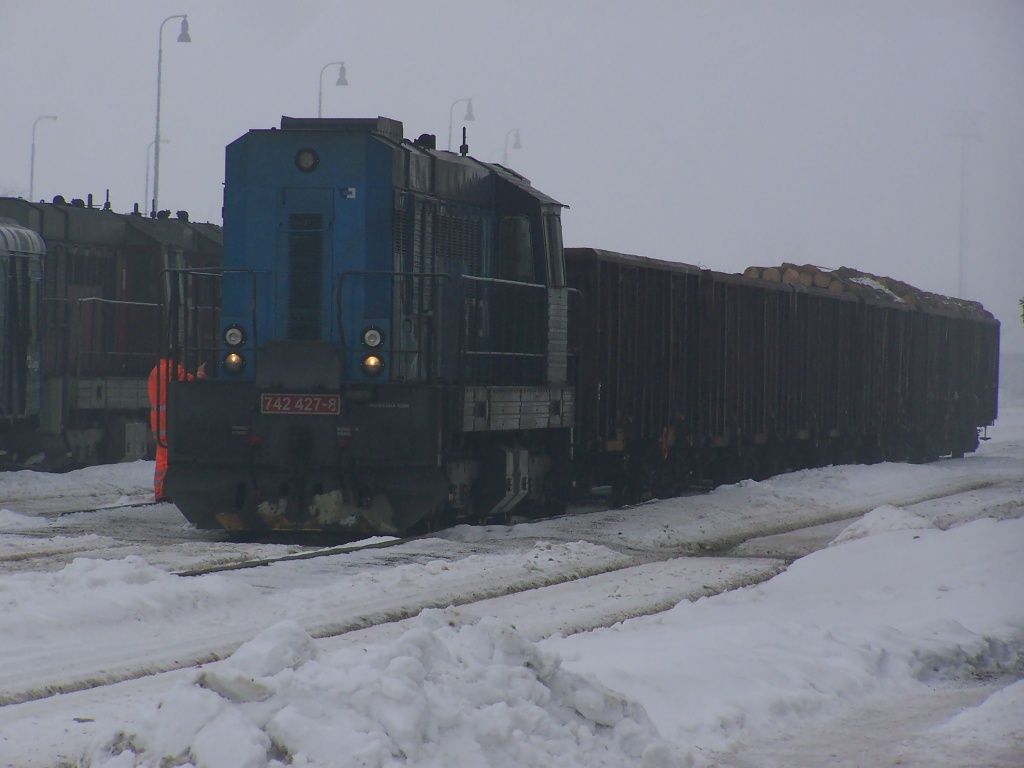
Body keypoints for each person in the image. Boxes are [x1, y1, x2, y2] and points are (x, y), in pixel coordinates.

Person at [147, 358, 206, 501]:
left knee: (162, 455)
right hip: (170, 419)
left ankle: (160, 491)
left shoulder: (155, 371)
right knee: (169, 456)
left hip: (157, 420)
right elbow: (189, 382)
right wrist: (200, 374)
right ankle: (167, 490)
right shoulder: (172, 369)